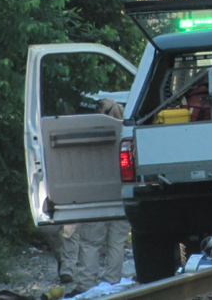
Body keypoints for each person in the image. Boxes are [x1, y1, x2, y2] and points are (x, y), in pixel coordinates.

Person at [70, 99, 131, 296]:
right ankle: (112, 281)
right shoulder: (128, 132)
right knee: (117, 242)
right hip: (121, 195)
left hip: (97, 196)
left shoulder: (93, 132)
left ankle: (86, 283)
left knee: (90, 242)